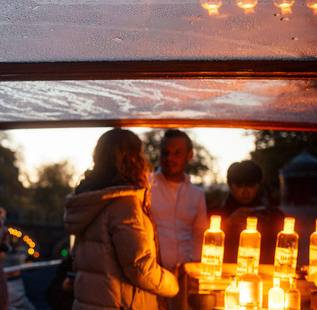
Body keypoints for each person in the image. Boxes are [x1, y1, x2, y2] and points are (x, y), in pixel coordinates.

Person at [64, 129, 178, 310]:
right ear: (134, 159)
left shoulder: (88, 200)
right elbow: (140, 269)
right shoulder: (124, 204)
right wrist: (172, 283)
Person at [148, 129, 208, 271]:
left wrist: (194, 266)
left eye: (177, 153)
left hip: (185, 274)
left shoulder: (196, 194)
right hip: (151, 274)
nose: (169, 158)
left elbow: (200, 236)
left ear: (190, 155)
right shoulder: (146, 185)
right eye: (165, 152)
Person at [209, 160, 285, 265]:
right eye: (239, 186)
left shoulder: (274, 215)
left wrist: (266, 224)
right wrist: (226, 224)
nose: (245, 191)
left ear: (258, 185)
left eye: (251, 185)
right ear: (230, 186)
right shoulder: (214, 214)